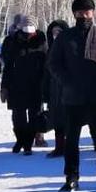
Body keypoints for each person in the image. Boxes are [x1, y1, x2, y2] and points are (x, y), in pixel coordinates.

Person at [50, 0, 96, 192]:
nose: (84, 16)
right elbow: (53, 63)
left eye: (87, 12)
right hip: (74, 98)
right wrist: (67, 81)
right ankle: (71, 178)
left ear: (93, 13)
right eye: (79, 13)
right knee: (71, 140)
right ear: (74, 14)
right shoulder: (65, 37)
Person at [1, 15, 48, 156]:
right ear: (20, 28)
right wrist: (5, 87)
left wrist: (46, 85)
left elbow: (47, 64)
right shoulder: (11, 41)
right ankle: (20, 140)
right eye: (25, 28)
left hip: (36, 85)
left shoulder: (41, 40)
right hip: (16, 85)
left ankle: (28, 144)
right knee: (18, 116)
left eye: (31, 28)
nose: (28, 31)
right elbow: (7, 66)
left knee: (35, 115)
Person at [44, 20, 69, 159]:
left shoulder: (70, 47)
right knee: (57, 120)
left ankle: (70, 146)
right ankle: (59, 147)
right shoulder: (50, 49)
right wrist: (45, 91)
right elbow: (46, 73)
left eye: (59, 32)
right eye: (54, 32)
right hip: (54, 90)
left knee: (70, 121)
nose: (56, 35)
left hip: (68, 88)